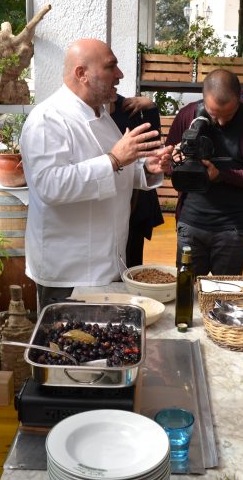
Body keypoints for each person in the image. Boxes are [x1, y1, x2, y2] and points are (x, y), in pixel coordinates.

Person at [20, 39, 171, 310]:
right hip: (69, 273)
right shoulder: (48, 119)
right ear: (82, 74)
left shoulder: (101, 114)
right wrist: (114, 159)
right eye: (111, 67)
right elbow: (50, 187)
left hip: (107, 265)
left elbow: (116, 172)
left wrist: (146, 169)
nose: (120, 75)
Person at [164, 69, 243, 276]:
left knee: (225, 291)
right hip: (191, 223)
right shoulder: (187, 115)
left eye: (228, 115)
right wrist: (172, 163)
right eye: (213, 115)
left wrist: (220, 175)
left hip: (233, 227)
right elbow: (170, 166)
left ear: (240, 97)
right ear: (203, 98)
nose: (221, 122)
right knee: (187, 290)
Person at [110, 94, 165, 267]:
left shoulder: (125, 106)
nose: (116, 81)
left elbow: (151, 146)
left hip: (135, 200)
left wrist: (150, 108)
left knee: (132, 259)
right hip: (107, 200)